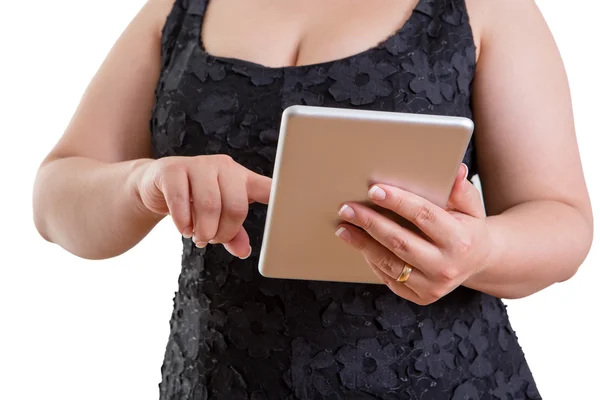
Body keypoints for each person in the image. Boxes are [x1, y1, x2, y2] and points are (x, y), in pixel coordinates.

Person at [32, 0, 593, 398]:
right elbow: (54, 199)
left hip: (441, 382)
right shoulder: (175, 11)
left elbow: (563, 221)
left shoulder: (486, 7)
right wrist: (141, 184)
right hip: (216, 380)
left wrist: (482, 249)